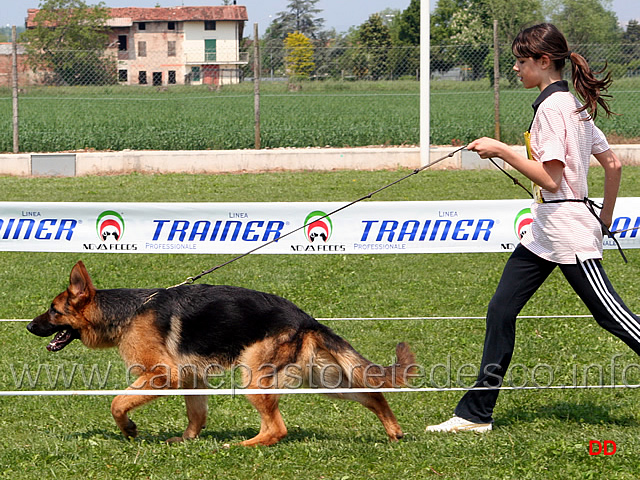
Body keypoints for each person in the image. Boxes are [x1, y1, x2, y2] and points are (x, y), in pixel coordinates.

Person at [426, 23, 640, 433]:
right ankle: (475, 415)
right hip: (546, 229)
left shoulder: (553, 108)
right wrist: (606, 217)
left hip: (567, 228)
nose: (516, 69)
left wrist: (501, 149)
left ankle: (474, 413)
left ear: (544, 62)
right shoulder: (571, 104)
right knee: (501, 310)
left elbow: (551, 178)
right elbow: (612, 164)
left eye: (522, 62)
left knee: (614, 317)